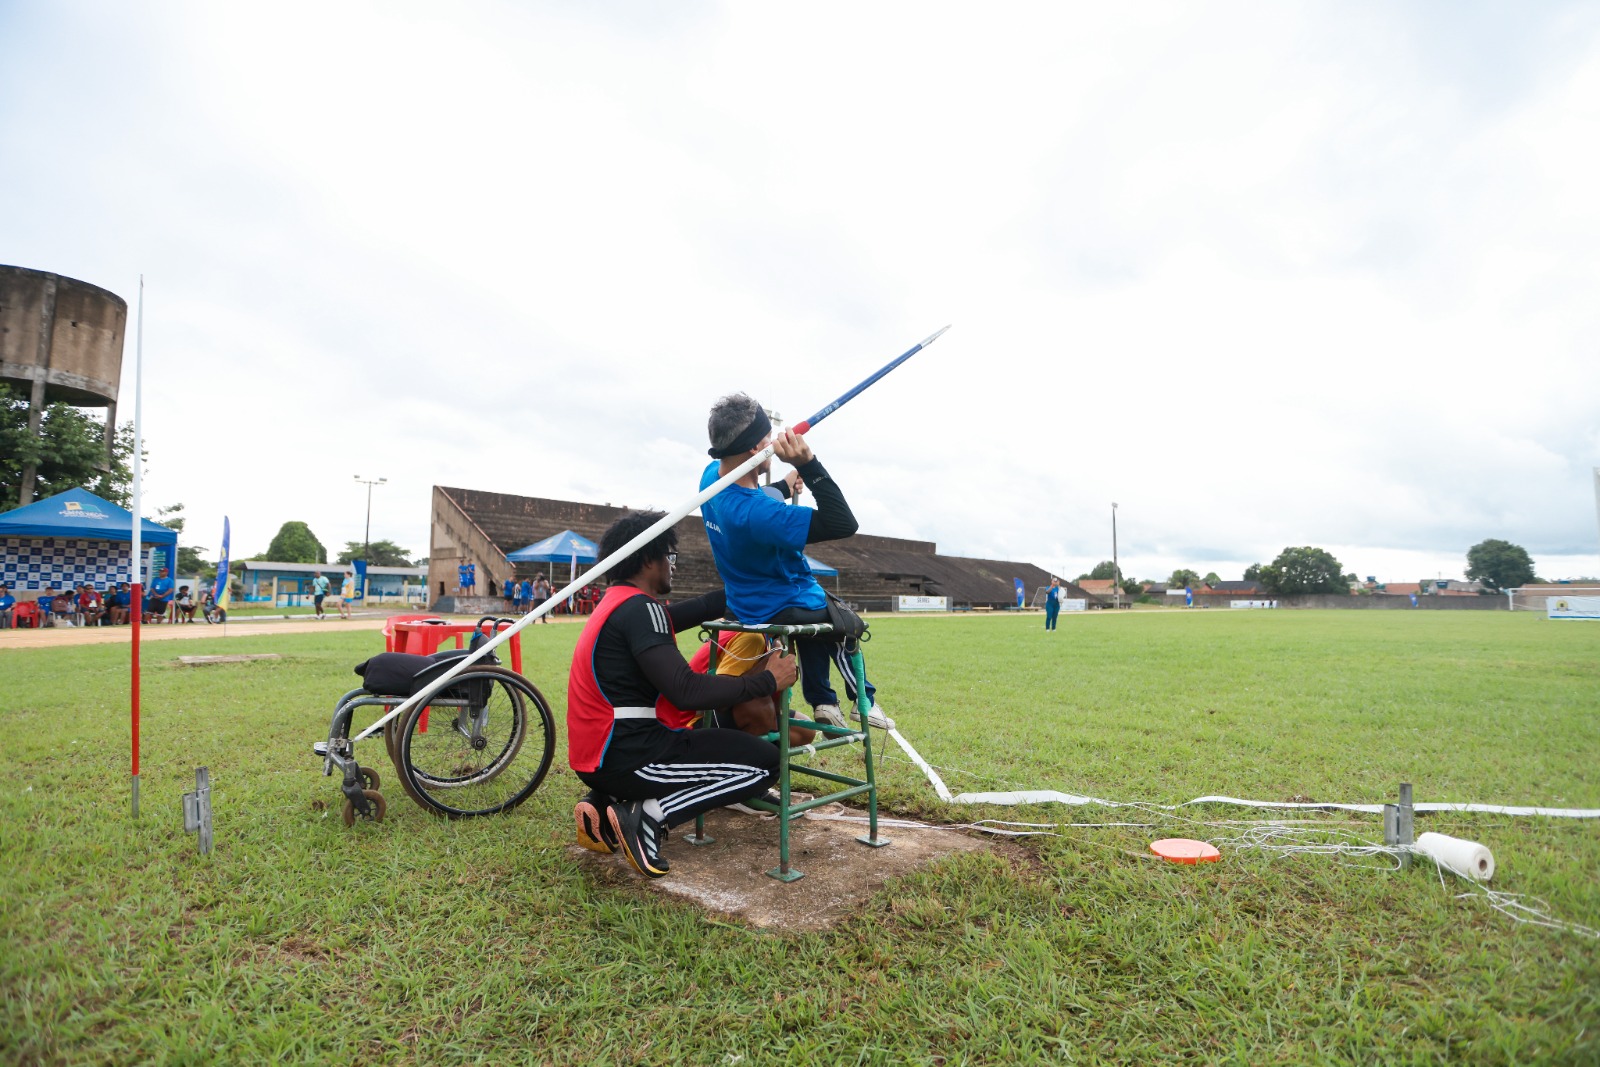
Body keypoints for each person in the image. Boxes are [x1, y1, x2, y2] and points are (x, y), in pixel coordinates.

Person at [567, 510, 797, 878]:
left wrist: (750, 587)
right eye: (668, 557)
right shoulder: (641, 610)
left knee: (705, 744)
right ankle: (648, 816)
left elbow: (703, 607)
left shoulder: (617, 605)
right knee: (764, 762)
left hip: (596, 757)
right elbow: (685, 690)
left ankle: (603, 805)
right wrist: (768, 682)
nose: (672, 566)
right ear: (648, 559)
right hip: (629, 755)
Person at [698, 392, 889, 730]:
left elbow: (750, 498)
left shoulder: (711, 477)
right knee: (841, 618)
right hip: (780, 600)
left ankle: (823, 702)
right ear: (757, 449)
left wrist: (785, 488)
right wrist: (808, 465)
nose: (774, 440)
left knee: (815, 607)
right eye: (767, 436)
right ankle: (863, 700)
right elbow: (844, 524)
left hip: (746, 601)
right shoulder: (761, 514)